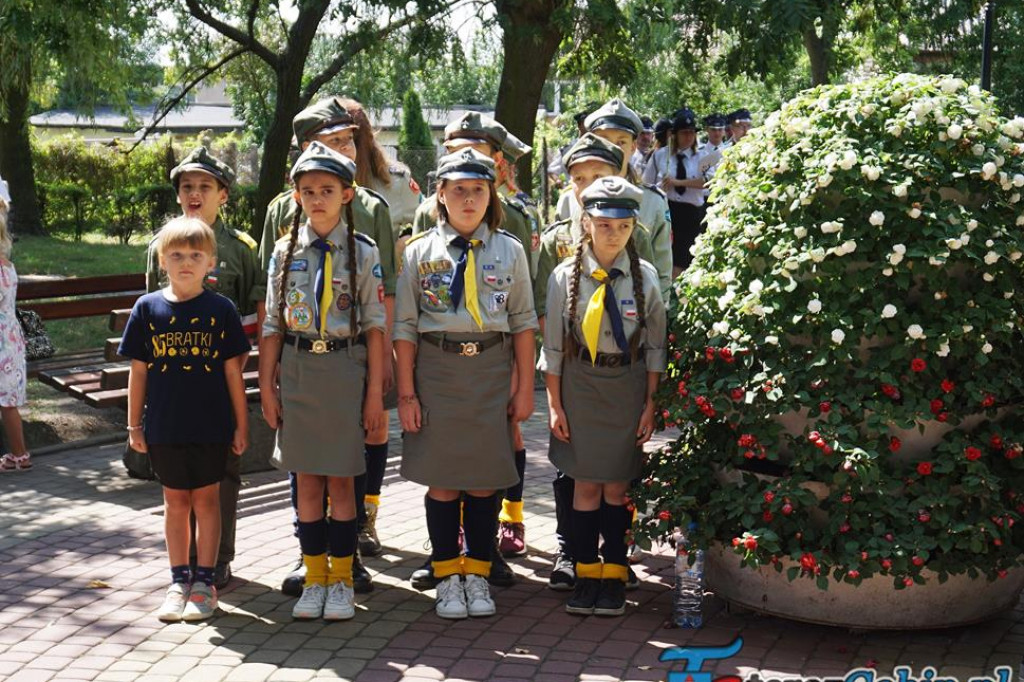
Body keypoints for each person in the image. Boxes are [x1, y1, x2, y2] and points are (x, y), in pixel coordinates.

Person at [259, 97, 397, 596]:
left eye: (328, 190)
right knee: (308, 481)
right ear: (296, 196)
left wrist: (374, 395)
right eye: (309, 190)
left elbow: (376, 323)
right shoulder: (283, 251)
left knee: (342, 481)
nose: (318, 198)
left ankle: (342, 575)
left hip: (344, 371)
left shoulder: (362, 251)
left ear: (347, 194)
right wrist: (268, 388)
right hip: (298, 373)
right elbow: (273, 322)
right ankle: (314, 575)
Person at [394, 148, 538, 619]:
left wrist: (521, 390)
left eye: (478, 190)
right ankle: (446, 577)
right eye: (459, 190)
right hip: (437, 373)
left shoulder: (509, 250)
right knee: (443, 481)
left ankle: (477, 574)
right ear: (441, 194)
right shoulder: (419, 252)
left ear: (491, 194)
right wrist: (408, 394)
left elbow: (522, 325)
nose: (469, 199)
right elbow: (405, 329)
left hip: (491, 372)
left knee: (482, 482)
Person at [534, 133, 658, 592]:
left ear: (633, 225)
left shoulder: (644, 277)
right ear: (586, 222)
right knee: (585, 484)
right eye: (604, 224)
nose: (614, 232)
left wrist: (649, 404)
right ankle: (586, 569)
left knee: (618, 487)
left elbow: (656, 348)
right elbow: (553, 347)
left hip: (624, 388)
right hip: (581, 388)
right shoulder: (564, 276)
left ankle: (613, 568)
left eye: (623, 225)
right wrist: (554, 404)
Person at [122, 217, 250, 622]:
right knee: (175, 503)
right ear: (163, 260)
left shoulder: (221, 309)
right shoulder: (147, 308)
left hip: (211, 425)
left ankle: (205, 583)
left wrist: (242, 425)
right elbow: (138, 371)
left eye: (196, 255)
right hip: (164, 426)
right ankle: (179, 580)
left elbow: (233, 372)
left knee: (207, 501)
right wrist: (133, 427)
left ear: (211, 262)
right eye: (177, 255)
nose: (186, 263)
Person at [145, 146, 261, 590]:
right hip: (173, 390)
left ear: (223, 194)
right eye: (187, 187)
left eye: (204, 186)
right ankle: (184, 564)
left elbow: (251, 320)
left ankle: (218, 559)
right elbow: (150, 317)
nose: (195, 194)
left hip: (221, 384)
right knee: (177, 484)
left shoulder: (241, 248)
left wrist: (231, 372)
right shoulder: (161, 246)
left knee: (222, 475)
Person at [554, 99, 672, 303]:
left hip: (634, 314)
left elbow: (661, 272)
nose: (612, 147)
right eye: (604, 139)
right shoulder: (569, 200)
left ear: (634, 146)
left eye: (621, 142)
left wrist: (656, 319)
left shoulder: (652, 202)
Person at [642, 108, 706, 277]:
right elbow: (646, 183)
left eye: (691, 133)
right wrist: (660, 186)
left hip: (691, 213)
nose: (688, 137)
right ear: (675, 135)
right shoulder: (660, 156)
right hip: (668, 210)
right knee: (668, 254)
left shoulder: (702, 156)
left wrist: (678, 182)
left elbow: (707, 182)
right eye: (684, 133)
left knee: (688, 257)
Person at [0, 177, 29, 473]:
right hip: (10, 342)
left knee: (6, 404)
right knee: (8, 403)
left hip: (2, 346)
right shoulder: (8, 267)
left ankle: (19, 454)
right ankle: (20, 453)